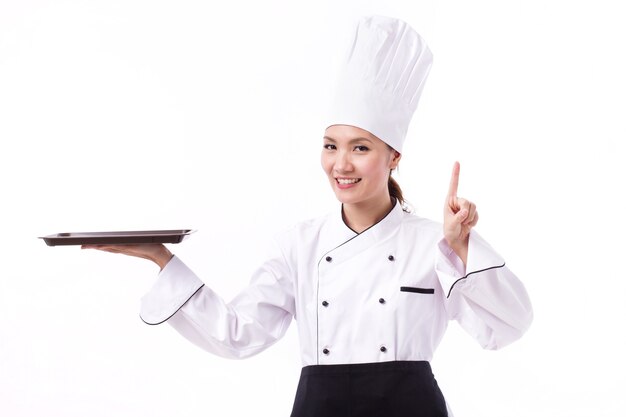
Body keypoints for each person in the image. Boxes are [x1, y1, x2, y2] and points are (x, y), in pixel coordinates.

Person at [83, 15, 533, 417]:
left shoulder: (433, 242)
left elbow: (508, 326)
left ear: (393, 156)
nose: (341, 164)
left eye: (360, 147)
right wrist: (162, 260)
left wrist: (463, 247)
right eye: (330, 145)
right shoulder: (298, 245)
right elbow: (238, 335)